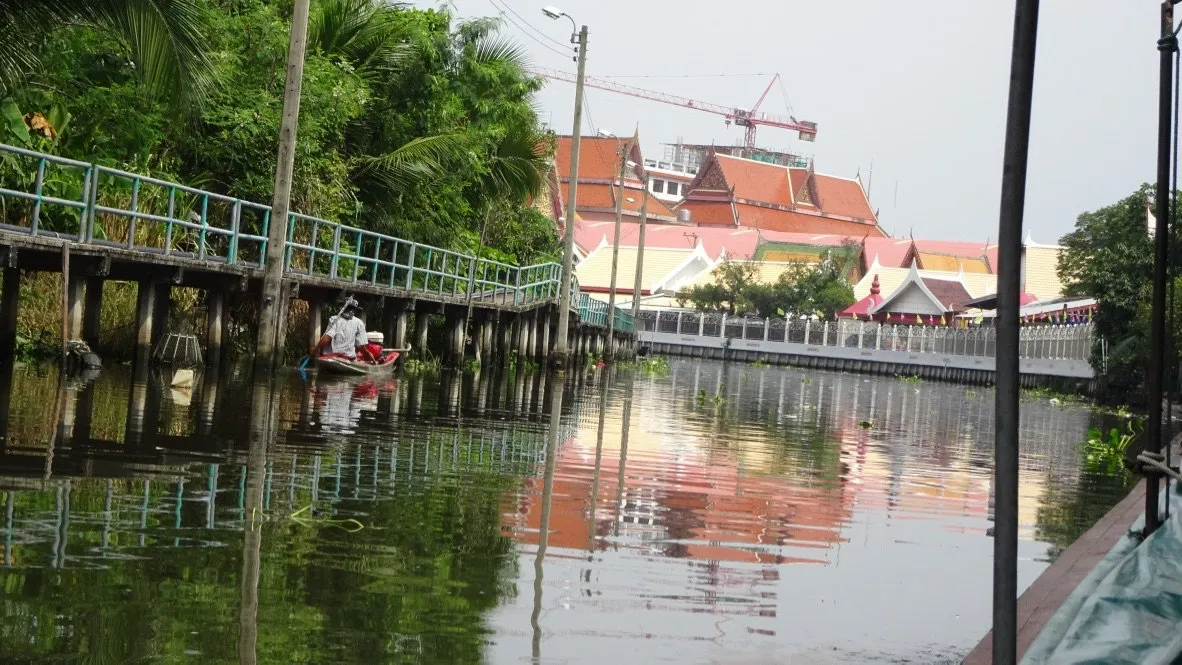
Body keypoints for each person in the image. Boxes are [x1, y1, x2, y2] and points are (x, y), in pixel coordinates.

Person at [310, 303, 378, 363]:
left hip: (331, 358)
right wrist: (368, 355)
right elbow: (361, 347)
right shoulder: (359, 322)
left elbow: (327, 338)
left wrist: (315, 350)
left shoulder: (334, 319)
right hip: (347, 359)